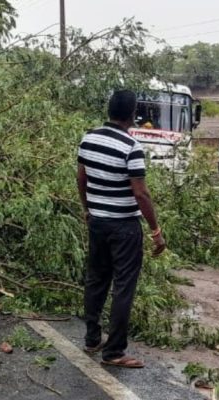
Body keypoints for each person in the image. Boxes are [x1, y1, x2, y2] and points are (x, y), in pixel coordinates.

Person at [77, 90, 166, 369]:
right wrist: (156, 230)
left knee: (96, 279)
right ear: (132, 114)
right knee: (123, 287)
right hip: (124, 226)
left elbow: (82, 177)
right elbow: (141, 193)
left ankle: (93, 338)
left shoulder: (88, 138)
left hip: (98, 222)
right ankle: (114, 351)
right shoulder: (131, 147)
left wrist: (88, 209)